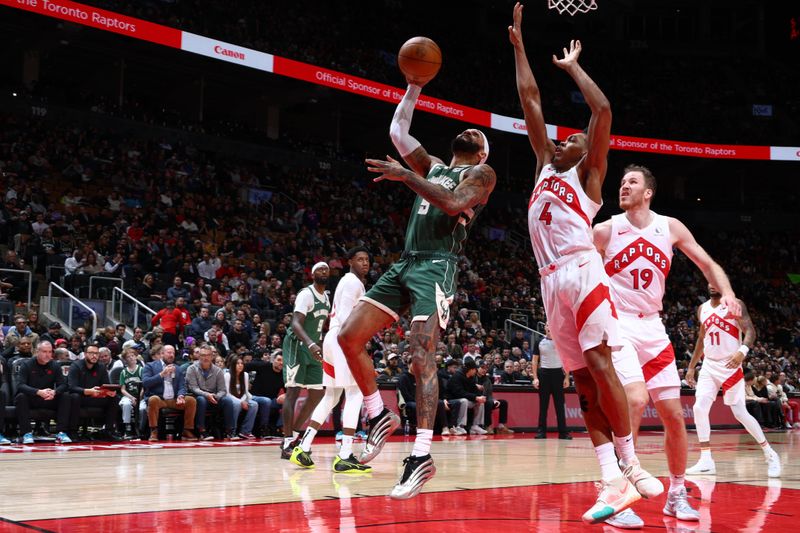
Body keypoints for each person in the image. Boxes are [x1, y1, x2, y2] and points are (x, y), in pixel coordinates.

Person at [509, 4, 659, 523]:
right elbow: (529, 97)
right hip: (550, 284)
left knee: (600, 367)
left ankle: (633, 464)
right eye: (563, 137)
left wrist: (573, 69)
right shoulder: (542, 168)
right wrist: (519, 48)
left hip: (581, 271)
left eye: (572, 139)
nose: (565, 139)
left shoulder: (588, 178)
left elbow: (603, 112)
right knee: (584, 384)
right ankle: (611, 478)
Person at [338, 48, 496, 498]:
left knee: (421, 356)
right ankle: (376, 412)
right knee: (348, 336)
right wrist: (414, 87)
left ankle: (421, 455)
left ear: (482, 150)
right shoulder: (435, 166)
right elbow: (397, 129)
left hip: (436, 267)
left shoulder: (482, 175)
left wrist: (402, 175)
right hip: (406, 261)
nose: (471, 133)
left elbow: (450, 204)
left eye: (478, 135)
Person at [593, 165, 746, 525]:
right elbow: (574, 264)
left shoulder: (670, 226)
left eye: (632, 182)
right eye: (621, 183)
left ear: (649, 192)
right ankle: (618, 495)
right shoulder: (606, 229)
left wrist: (727, 293)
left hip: (654, 329)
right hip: (620, 327)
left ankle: (676, 493)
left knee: (675, 417)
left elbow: (708, 264)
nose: (624, 187)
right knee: (634, 400)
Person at [290, 247, 373, 473]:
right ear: (350, 262)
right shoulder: (353, 282)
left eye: (367, 259)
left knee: (331, 396)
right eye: (360, 259)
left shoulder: (348, 282)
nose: (365, 263)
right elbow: (347, 318)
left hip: (331, 339)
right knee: (355, 392)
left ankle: (303, 446)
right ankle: (345, 454)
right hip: (341, 338)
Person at [686, 287, 780, 478]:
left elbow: (750, 331)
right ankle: (706, 460)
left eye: (716, 281)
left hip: (730, 365)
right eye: (709, 281)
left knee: (739, 413)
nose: (712, 285)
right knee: (699, 408)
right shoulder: (702, 309)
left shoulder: (735, 305)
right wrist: (691, 366)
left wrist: (742, 351)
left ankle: (770, 453)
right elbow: (702, 339)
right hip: (709, 366)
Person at [279, 263, 330, 458]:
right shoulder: (306, 294)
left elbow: (319, 326)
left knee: (317, 393)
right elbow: (295, 323)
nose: (323, 272)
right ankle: (286, 442)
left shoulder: (326, 298)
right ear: (312, 274)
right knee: (293, 391)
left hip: (313, 346)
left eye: (326, 269)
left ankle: (295, 435)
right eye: (319, 270)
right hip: (297, 345)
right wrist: (310, 343)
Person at [14, 341, 73, 444]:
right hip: (32, 398)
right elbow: (20, 385)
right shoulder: (26, 365)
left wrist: (55, 392)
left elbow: (63, 385)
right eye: (44, 351)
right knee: (21, 397)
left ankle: (61, 432)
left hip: (48, 398)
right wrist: (38, 392)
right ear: (37, 352)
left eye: (50, 352)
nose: (47, 355)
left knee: (65, 396)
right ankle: (26, 433)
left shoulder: (55, 365)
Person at [142, 344, 198, 442]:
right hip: (160, 399)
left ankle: (186, 430)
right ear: (162, 354)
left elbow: (182, 386)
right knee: (153, 400)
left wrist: (181, 395)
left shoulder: (178, 368)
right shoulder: (150, 366)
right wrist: (162, 374)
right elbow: (146, 383)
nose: (171, 355)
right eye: (169, 352)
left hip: (174, 399)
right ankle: (154, 431)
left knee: (191, 401)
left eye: (173, 353)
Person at [67, 342, 121, 440]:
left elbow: (106, 385)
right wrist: (87, 391)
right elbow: (71, 387)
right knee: (74, 397)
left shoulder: (101, 367)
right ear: (85, 354)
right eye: (91, 353)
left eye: (96, 353)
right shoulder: (76, 366)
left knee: (114, 398)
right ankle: (72, 431)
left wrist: (108, 392)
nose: (94, 356)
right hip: (82, 397)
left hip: (96, 397)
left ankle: (108, 430)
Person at [186, 345, 235, 439]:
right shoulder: (191, 369)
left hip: (214, 398)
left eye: (208, 355)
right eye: (203, 355)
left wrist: (216, 396)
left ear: (212, 357)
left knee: (228, 401)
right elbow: (193, 388)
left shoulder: (218, 370)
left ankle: (230, 431)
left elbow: (222, 390)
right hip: (198, 397)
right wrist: (207, 395)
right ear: (199, 356)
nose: (205, 357)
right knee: (201, 399)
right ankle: (202, 431)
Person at [532, 325, 571, 440]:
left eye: (551, 324)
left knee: (560, 405)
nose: (549, 327)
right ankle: (541, 432)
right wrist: (535, 378)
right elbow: (534, 361)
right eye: (547, 325)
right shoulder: (539, 341)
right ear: (545, 328)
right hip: (544, 374)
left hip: (558, 375)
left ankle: (563, 433)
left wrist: (567, 377)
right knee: (543, 405)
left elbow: (567, 360)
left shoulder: (561, 341)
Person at [224, 354, 258, 439]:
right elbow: (227, 393)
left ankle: (245, 431)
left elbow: (245, 392)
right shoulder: (227, 375)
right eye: (237, 363)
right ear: (233, 365)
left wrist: (244, 401)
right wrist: (240, 402)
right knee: (237, 404)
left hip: (242, 398)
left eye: (241, 363)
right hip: (230, 398)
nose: (240, 365)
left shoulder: (245, 375)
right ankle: (232, 431)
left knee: (254, 404)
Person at [118, 348, 145, 439]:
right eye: (128, 357)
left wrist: (139, 397)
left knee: (142, 408)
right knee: (126, 404)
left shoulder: (141, 370)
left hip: (140, 396)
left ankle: (141, 429)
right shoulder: (124, 372)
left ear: (136, 357)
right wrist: (132, 398)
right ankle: (127, 428)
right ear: (125, 360)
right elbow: (122, 389)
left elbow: (144, 387)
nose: (131, 358)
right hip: (128, 396)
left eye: (132, 356)